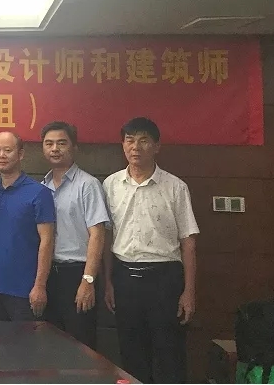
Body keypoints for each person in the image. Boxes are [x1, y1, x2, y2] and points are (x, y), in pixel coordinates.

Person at [102, 117, 199, 384]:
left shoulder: (175, 187)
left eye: (144, 140)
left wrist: (189, 291)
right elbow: (107, 237)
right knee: (131, 352)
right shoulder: (110, 185)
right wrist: (108, 282)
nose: (136, 147)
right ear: (123, 145)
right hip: (125, 277)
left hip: (164, 279)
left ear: (157, 146)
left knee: (170, 352)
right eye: (130, 140)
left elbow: (188, 241)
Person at [40, 121, 110, 349]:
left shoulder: (88, 185)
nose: (55, 149)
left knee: (81, 346)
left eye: (61, 143)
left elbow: (97, 235)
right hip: (49, 275)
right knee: (51, 345)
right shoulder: (42, 187)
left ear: (74, 147)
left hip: (77, 274)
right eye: (49, 144)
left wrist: (88, 281)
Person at [0, 131, 55, 321]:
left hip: (25, 291)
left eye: (8, 150)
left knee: (26, 340)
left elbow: (47, 241)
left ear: (21, 154)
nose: (1, 155)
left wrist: (40, 286)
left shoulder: (39, 193)